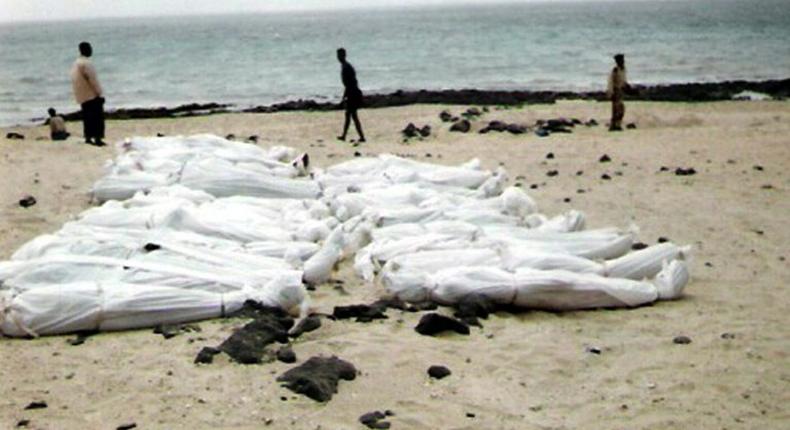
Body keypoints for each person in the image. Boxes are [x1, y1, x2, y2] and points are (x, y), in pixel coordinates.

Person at [71, 41, 106, 146]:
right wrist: (99, 93)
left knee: (87, 118)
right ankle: (98, 138)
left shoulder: (76, 63)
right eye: (89, 48)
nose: (91, 50)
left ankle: (88, 137)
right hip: (91, 95)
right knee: (97, 118)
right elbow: (93, 80)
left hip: (82, 96)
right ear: (85, 50)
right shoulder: (86, 63)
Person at [336, 48, 366, 142]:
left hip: (352, 93)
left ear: (344, 55)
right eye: (338, 55)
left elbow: (350, 83)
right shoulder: (345, 66)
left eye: (340, 55)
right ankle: (346, 135)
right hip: (351, 92)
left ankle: (359, 136)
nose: (338, 57)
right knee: (350, 116)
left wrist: (345, 96)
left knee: (351, 115)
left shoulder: (346, 67)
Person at [606, 53, 631, 132]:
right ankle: (614, 125)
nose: (622, 62)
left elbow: (623, 80)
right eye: (621, 60)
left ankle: (617, 124)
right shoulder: (615, 70)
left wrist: (627, 86)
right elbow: (611, 81)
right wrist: (611, 92)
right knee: (616, 109)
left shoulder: (623, 69)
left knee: (620, 109)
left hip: (621, 90)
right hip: (616, 90)